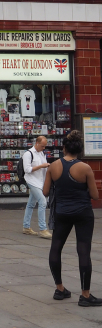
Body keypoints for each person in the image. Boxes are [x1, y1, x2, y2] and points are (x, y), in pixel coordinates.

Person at [43, 130, 101, 306]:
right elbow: (95, 195)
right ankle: (85, 295)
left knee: (56, 248)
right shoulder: (85, 168)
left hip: (61, 212)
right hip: (83, 213)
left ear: (64, 148)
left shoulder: (53, 166)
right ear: (79, 150)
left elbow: (45, 192)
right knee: (83, 250)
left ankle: (60, 289)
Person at [23, 135, 52, 238]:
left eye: (45, 146)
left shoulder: (41, 153)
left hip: (40, 182)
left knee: (31, 204)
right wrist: (42, 166)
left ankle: (26, 227)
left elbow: (44, 167)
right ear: (37, 143)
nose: (44, 148)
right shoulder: (28, 154)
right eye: (43, 146)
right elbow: (27, 170)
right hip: (32, 181)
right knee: (42, 201)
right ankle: (43, 229)